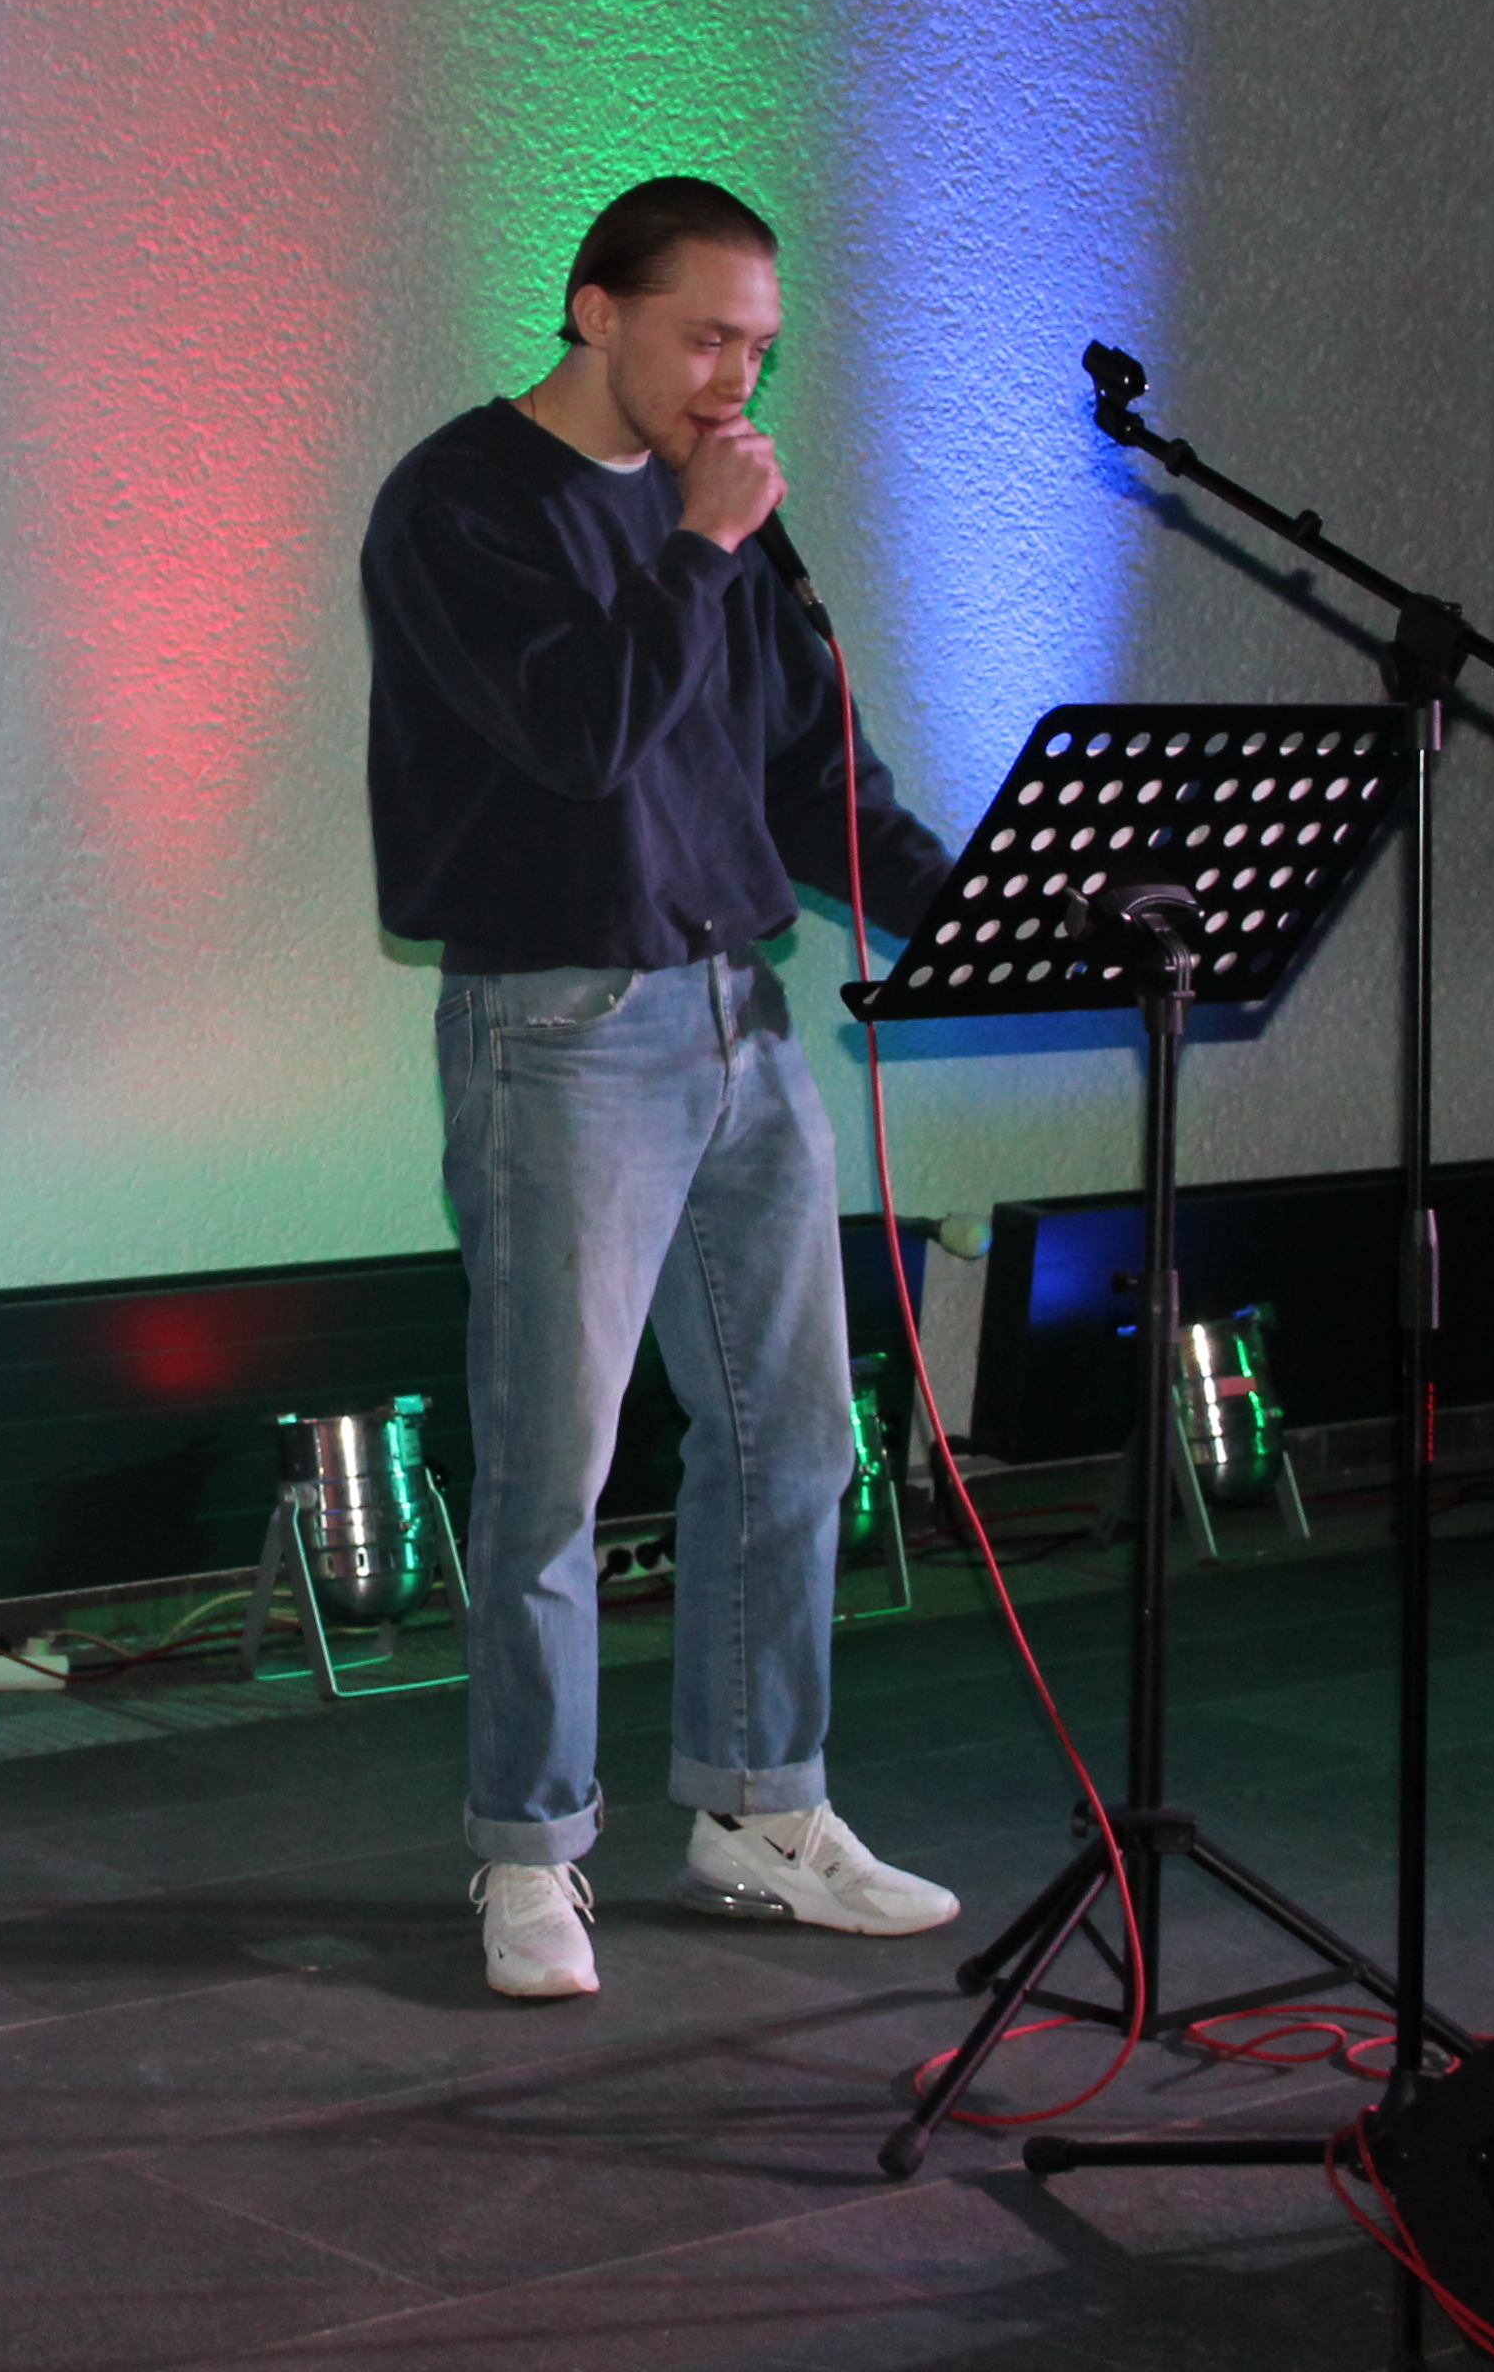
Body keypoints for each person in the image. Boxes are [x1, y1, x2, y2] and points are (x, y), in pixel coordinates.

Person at [358, 175, 961, 2000]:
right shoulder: (463, 502)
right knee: (555, 1467)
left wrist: (1009, 913)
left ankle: (762, 1811)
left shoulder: (736, 530)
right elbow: (578, 736)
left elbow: (816, 783)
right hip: (563, 1026)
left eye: (758, 349)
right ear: (595, 309)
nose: (733, 381)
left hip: (737, 1019)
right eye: (706, 339)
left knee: (796, 1438)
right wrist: (697, 548)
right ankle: (531, 1850)